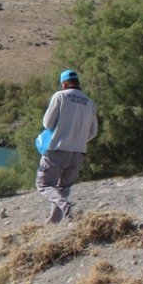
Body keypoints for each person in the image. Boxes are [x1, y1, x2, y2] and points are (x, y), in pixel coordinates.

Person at [35, 69, 98, 224]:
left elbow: (47, 123)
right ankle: (53, 223)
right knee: (63, 188)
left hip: (57, 149)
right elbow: (93, 132)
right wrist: (78, 140)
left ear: (64, 83)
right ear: (78, 82)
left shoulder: (60, 96)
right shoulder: (90, 102)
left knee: (44, 185)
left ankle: (66, 206)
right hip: (78, 152)